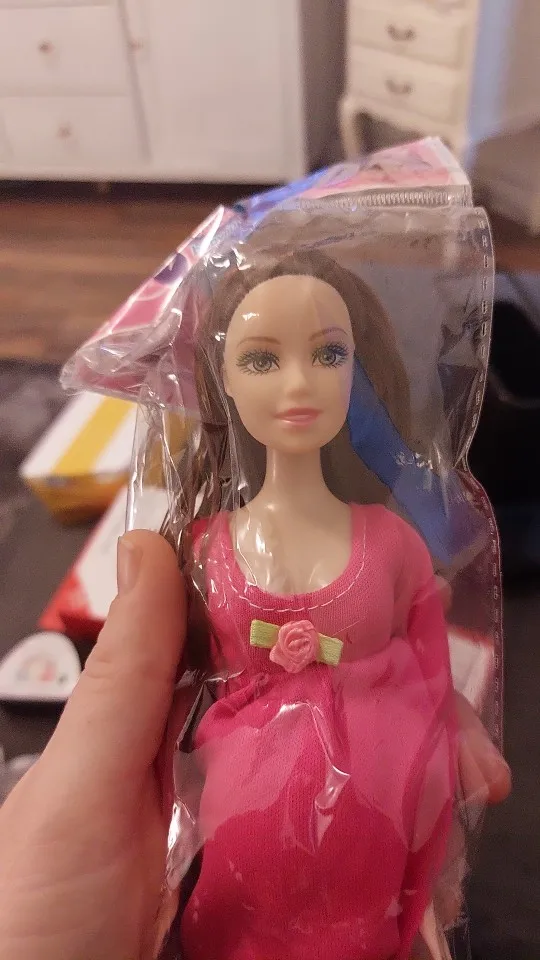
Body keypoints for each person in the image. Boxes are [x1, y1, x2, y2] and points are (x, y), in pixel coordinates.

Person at [0, 531, 511, 960]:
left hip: (370, 831)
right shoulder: (206, 549)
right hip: (236, 838)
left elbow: (423, 654)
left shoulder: (388, 539)